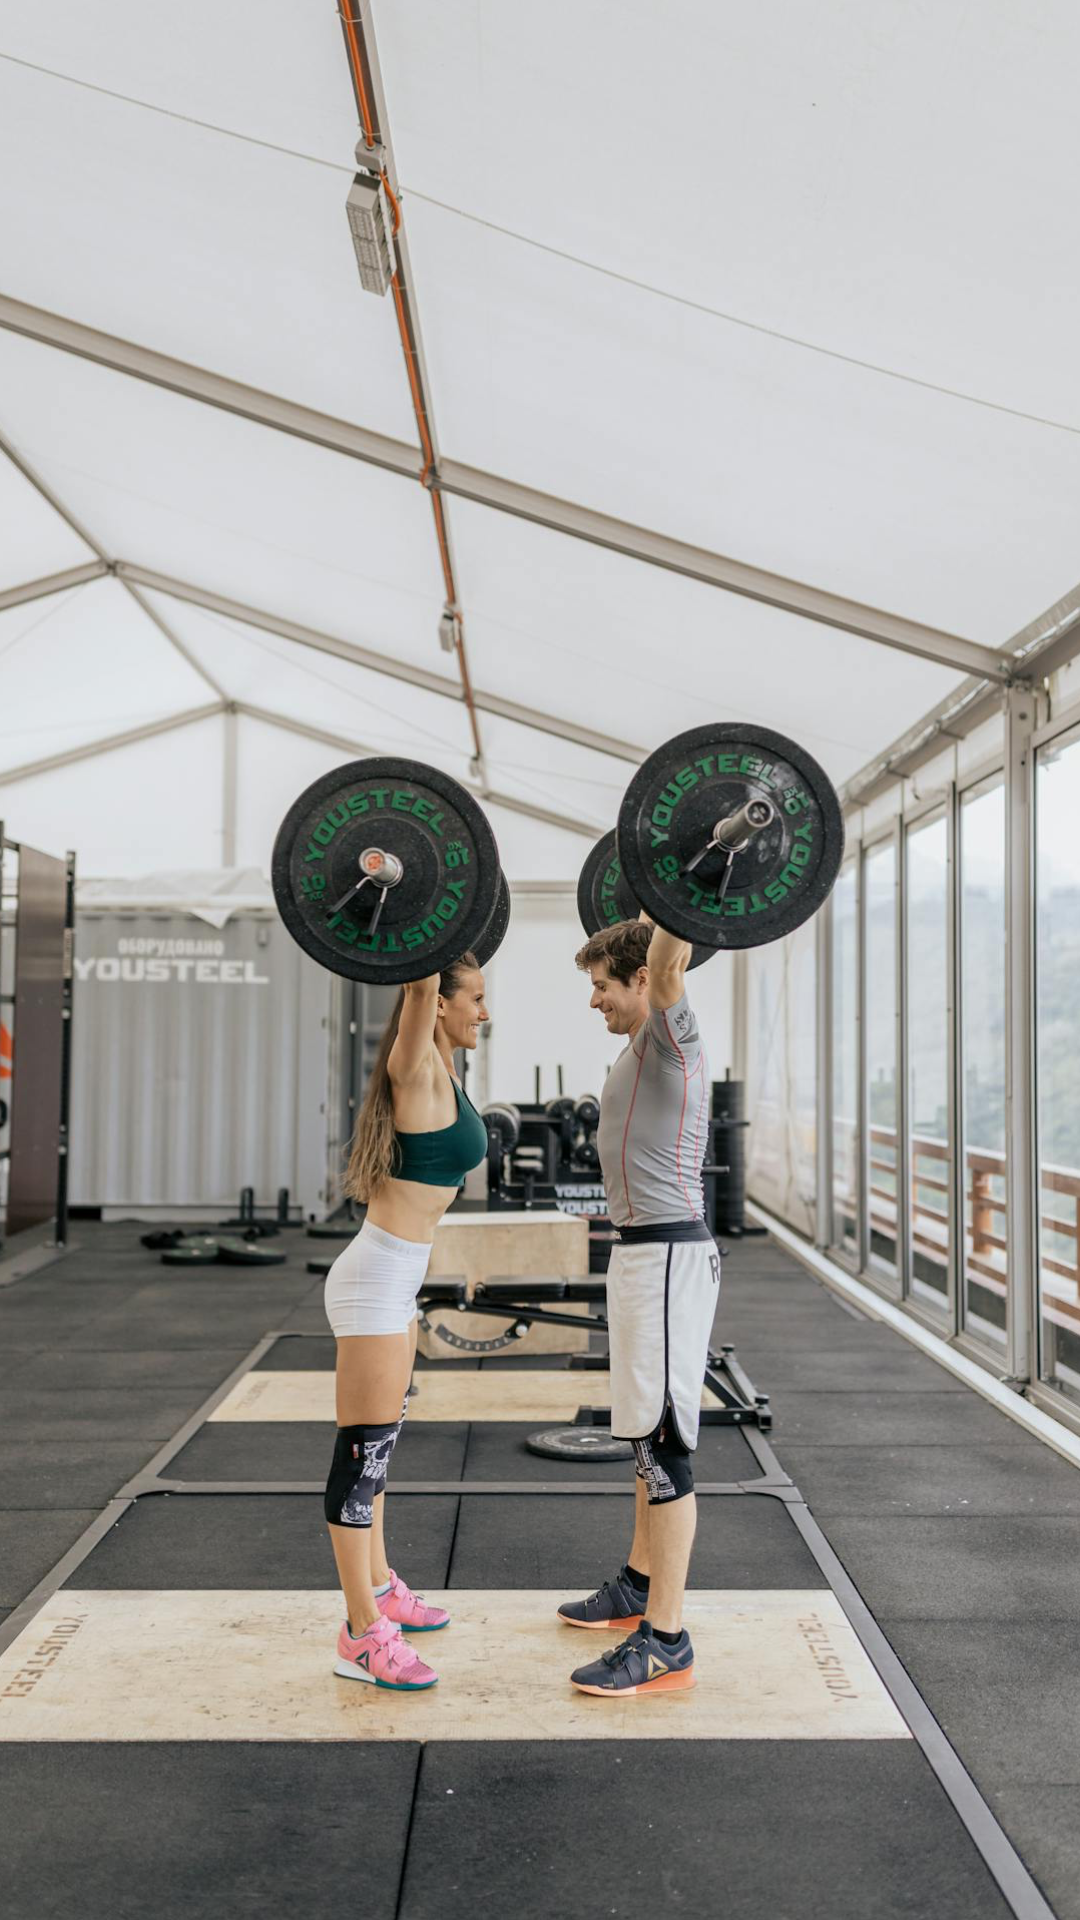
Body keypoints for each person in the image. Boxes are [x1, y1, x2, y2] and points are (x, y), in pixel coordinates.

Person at [323, 953, 488, 1691]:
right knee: (363, 1459)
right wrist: (429, 944)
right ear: (441, 1004)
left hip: (397, 1279)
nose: (484, 1011)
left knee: (382, 1452)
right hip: (374, 1284)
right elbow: (420, 977)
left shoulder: (447, 1074)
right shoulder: (415, 1067)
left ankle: (383, 1584)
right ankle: (360, 1632)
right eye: (476, 999)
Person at [560, 916, 716, 1695]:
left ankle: (666, 1635)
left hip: (666, 1258)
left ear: (642, 982)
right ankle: (635, 1582)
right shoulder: (635, 1049)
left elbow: (666, 958)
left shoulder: (670, 1033)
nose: (593, 1000)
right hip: (640, 1254)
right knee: (640, 1434)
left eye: (600, 985)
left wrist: (669, 899)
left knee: (663, 1445)